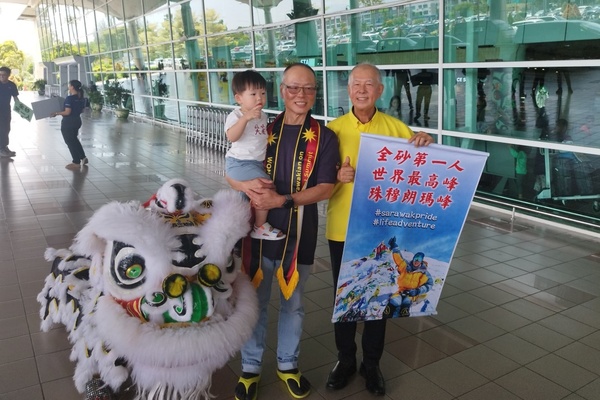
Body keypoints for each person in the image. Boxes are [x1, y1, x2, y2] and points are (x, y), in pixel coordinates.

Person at [227, 63, 340, 400]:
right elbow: (231, 169)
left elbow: (326, 188)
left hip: (300, 233)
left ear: (315, 93)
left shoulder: (325, 137)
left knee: (294, 304)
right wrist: (243, 185)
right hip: (255, 236)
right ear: (282, 90)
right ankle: (250, 367)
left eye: (308, 89)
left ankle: (288, 364)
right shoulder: (263, 127)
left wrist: (283, 199)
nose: (300, 95)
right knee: (254, 303)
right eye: (293, 87)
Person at [325, 63, 433, 396]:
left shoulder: (396, 128)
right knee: (344, 299)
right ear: (348, 90)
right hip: (342, 227)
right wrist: (336, 177)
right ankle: (345, 360)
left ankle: (371, 364)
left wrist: (426, 142)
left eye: (368, 84)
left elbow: (420, 163)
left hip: (382, 230)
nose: (361, 89)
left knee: (379, 298)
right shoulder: (332, 130)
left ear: (380, 90)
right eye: (356, 84)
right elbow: (315, 178)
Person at [225, 69, 284, 241]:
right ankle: (259, 227)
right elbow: (231, 137)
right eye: (253, 94)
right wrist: (245, 119)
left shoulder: (263, 115)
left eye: (263, 93)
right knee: (264, 186)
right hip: (239, 163)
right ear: (239, 98)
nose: (260, 98)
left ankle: (240, 229)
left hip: (255, 164)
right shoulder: (235, 115)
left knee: (245, 199)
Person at [385, 237, 433, 318]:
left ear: (421, 261)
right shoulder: (405, 266)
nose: (416, 261)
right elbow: (398, 258)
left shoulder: (424, 273)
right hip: (401, 291)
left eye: (419, 259)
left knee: (406, 302)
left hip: (412, 294)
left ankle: (404, 313)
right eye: (416, 258)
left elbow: (429, 284)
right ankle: (386, 315)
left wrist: (417, 291)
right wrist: (394, 246)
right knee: (395, 301)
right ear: (413, 259)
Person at [51, 80, 88, 170]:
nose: (68, 86)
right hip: (77, 121)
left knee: (70, 142)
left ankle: (76, 162)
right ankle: (83, 157)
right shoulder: (82, 98)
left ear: (72, 87)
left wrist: (56, 113)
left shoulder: (69, 98)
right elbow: (82, 110)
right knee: (74, 139)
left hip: (69, 122)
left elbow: (67, 112)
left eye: (69, 85)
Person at [0, 66, 19, 158]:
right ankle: (1, 149)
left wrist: (22, 110)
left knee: (7, 129)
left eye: (4, 75)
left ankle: (4, 147)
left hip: (6, 111)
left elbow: (15, 98)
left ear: (8, 75)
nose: (2, 77)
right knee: (2, 130)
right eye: (0, 75)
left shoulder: (11, 85)